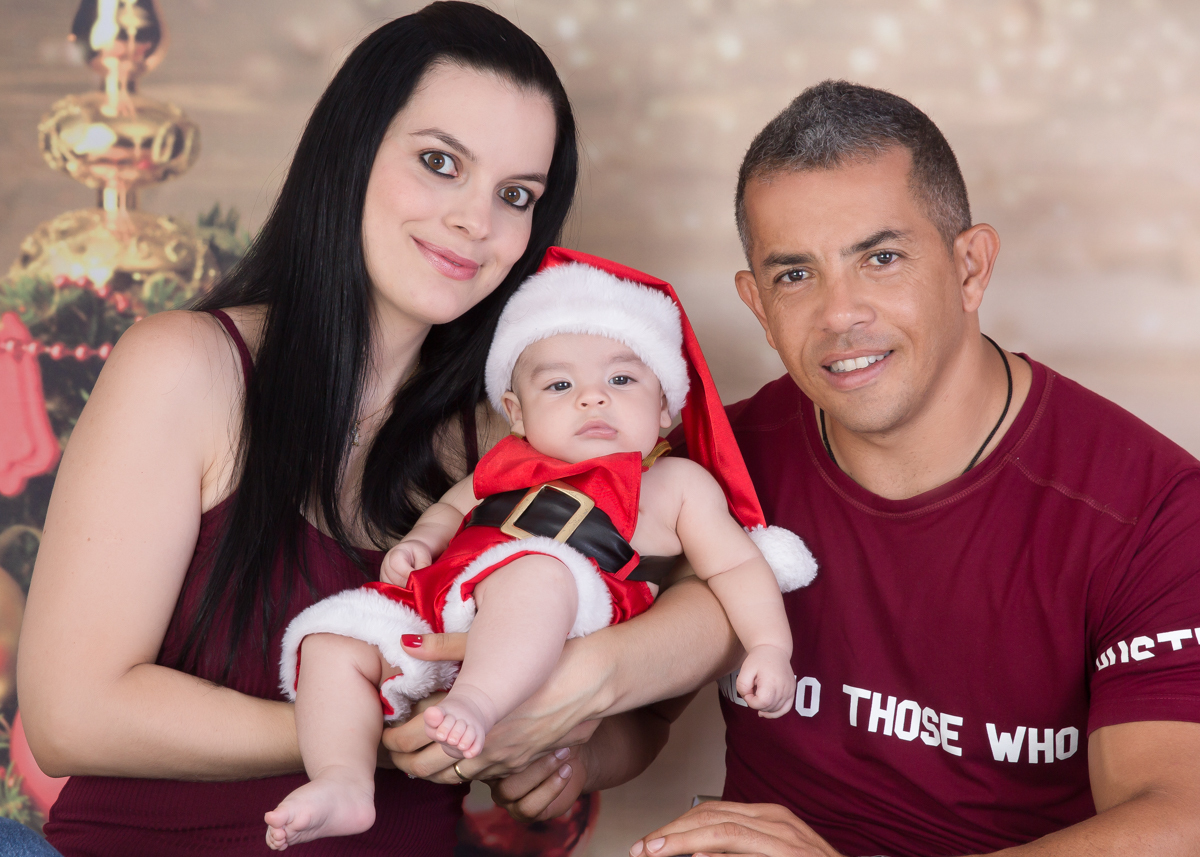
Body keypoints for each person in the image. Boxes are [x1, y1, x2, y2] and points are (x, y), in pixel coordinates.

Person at [14, 4, 583, 854]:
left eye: (516, 195)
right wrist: (369, 735)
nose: (478, 221)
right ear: (350, 152)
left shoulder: (505, 440)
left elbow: (685, 605)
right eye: (440, 163)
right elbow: (72, 715)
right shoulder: (187, 367)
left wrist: (558, 752)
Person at [613, 79, 1200, 856]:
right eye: (795, 275)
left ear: (970, 267)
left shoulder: (1154, 509)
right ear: (758, 306)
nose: (840, 314)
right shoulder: (723, 459)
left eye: (881, 258)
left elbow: (1179, 820)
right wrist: (560, 761)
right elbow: (643, 715)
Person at [264, 250, 815, 849]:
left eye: (622, 379)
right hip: (450, 604)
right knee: (330, 641)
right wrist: (420, 542)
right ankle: (343, 781)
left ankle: (476, 703)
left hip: (562, 615)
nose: (592, 398)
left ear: (665, 405)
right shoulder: (504, 465)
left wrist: (770, 645)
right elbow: (448, 510)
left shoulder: (675, 484)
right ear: (517, 414)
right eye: (559, 385)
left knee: (536, 573)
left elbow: (737, 564)